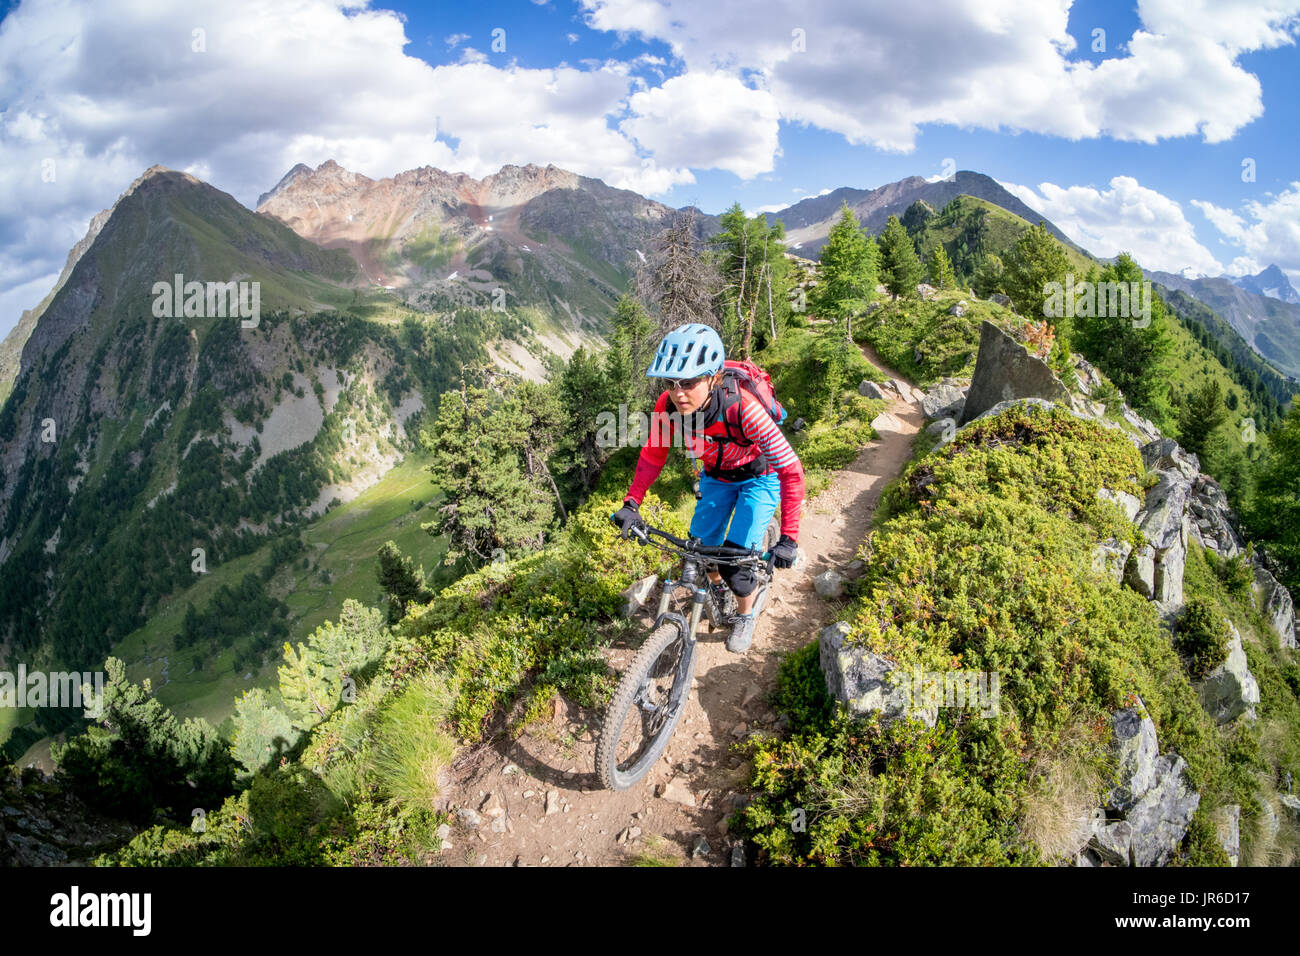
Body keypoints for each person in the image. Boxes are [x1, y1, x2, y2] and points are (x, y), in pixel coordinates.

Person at [610, 323, 803, 653]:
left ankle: (745, 615)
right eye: (670, 382)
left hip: (759, 477)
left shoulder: (743, 408)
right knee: (701, 552)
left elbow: (791, 470)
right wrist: (632, 503)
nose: (678, 392)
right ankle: (719, 591)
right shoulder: (669, 407)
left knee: (736, 564)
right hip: (717, 476)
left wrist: (789, 538)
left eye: (688, 382)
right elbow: (653, 455)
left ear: (713, 377)